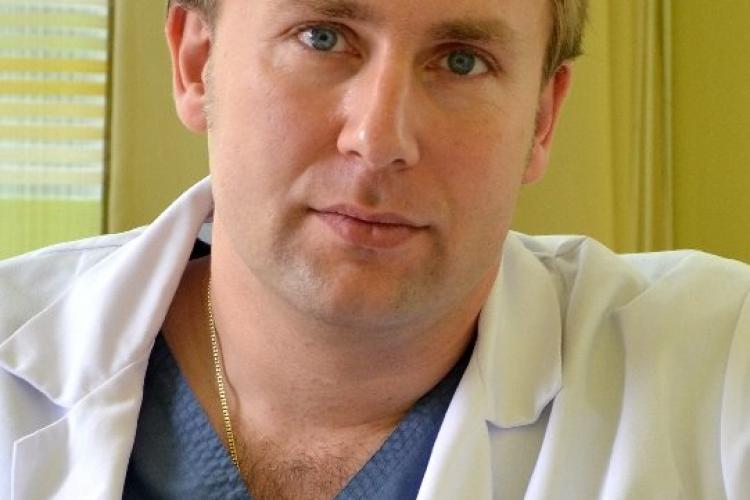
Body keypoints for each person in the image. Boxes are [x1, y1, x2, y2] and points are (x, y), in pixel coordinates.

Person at [0, 0, 748, 498]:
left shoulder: (717, 369)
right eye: (322, 37)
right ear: (197, 64)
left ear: (541, 121)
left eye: (462, 61)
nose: (379, 137)